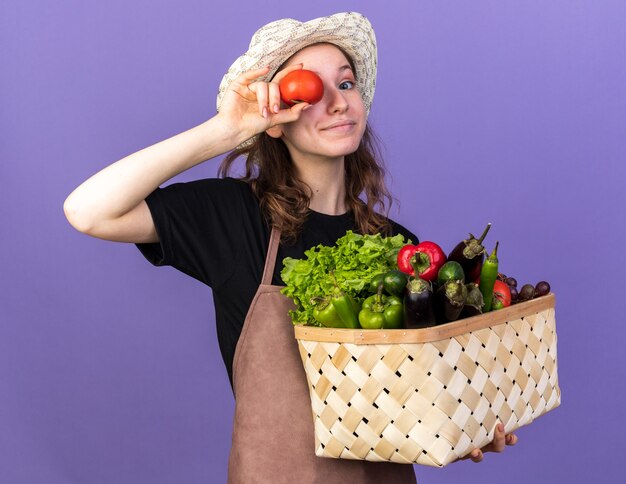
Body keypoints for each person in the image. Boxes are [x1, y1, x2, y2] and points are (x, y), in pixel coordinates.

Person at [64, 11, 517, 482]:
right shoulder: (235, 218)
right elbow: (90, 210)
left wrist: (463, 426)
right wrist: (227, 130)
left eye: (345, 85)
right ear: (275, 119)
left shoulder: (396, 245)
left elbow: (410, 399)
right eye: (310, 92)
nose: (338, 104)